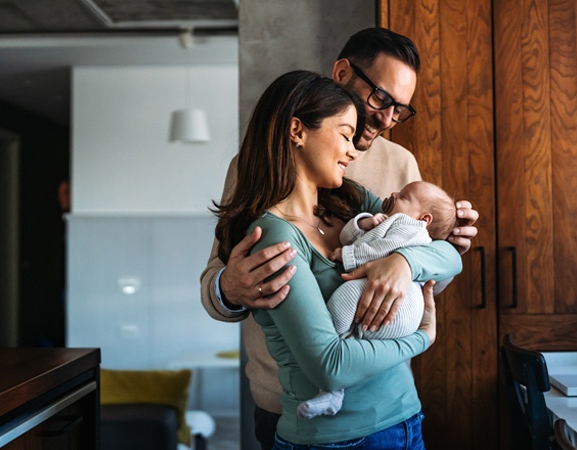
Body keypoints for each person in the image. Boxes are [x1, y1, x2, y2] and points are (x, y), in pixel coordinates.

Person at [200, 28, 480, 449]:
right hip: (295, 408)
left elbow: (427, 271)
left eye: (400, 110)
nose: (388, 119)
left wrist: (413, 260)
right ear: (343, 73)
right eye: (382, 100)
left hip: (396, 406)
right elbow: (216, 282)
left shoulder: (387, 173)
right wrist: (231, 287)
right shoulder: (258, 185)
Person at [297, 181, 457, 420]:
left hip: (399, 306)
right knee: (354, 335)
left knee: (343, 299)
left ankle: (331, 382)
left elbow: (383, 250)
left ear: (424, 219)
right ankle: (334, 392)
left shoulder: (411, 227)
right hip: (400, 315)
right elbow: (350, 235)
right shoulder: (388, 220)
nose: (393, 194)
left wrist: (349, 255)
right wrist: (364, 222)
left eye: (404, 196)